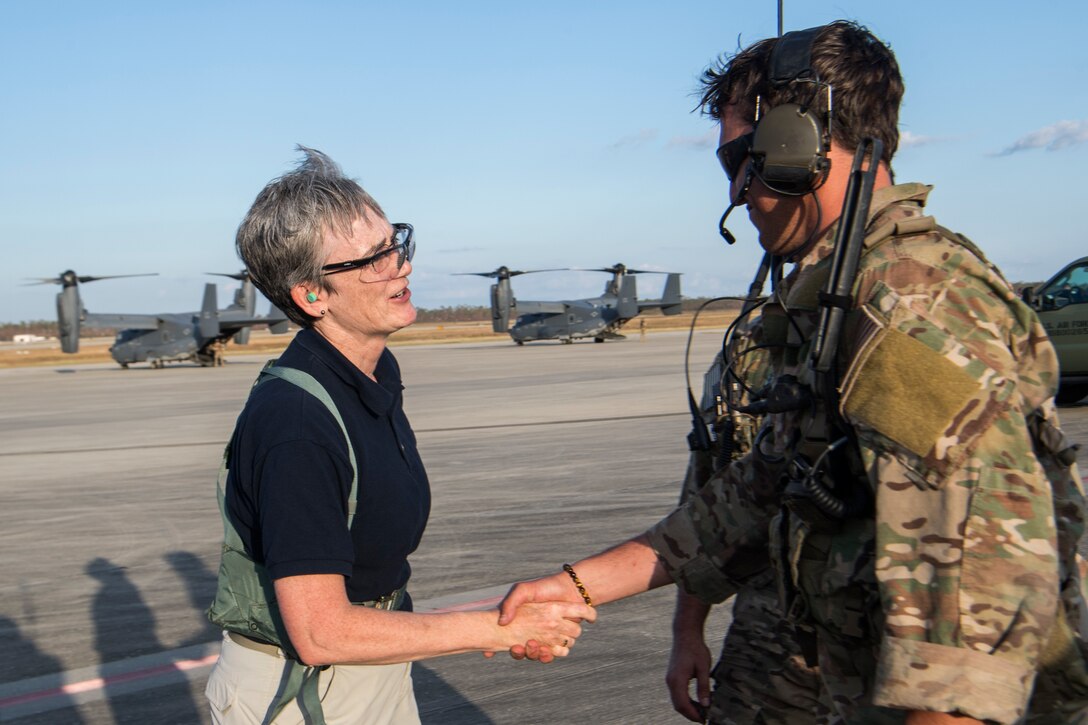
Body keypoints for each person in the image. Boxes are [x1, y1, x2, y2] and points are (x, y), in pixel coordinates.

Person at [500, 21, 1087, 724]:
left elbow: (971, 617)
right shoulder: (837, 301)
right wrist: (571, 585)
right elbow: (741, 498)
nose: (738, 191)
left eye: (737, 162)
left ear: (795, 144)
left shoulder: (908, 303)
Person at [204, 146, 594, 725]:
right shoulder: (297, 422)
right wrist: (495, 626)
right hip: (301, 695)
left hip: (375, 676)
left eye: (395, 244)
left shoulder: (372, 373)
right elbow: (321, 631)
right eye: (370, 260)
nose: (399, 267)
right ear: (311, 295)